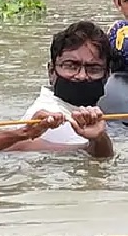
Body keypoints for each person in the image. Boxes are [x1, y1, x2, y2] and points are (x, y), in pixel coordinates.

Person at [12, 21, 114, 157]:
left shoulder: (90, 111)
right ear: (51, 71)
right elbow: (95, 162)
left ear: (107, 75)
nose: (82, 76)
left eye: (93, 69)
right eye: (71, 66)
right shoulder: (55, 120)